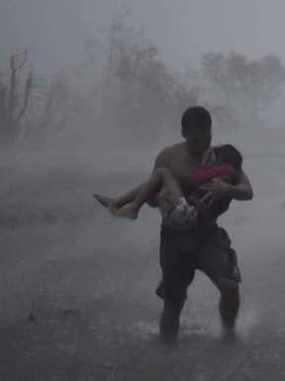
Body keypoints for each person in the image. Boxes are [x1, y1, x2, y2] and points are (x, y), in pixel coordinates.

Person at [96, 106, 253, 343]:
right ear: (184, 133)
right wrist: (159, 200)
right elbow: (151, 192)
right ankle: (166, 354)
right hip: (175, 238)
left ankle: (228, 337)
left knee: (230, 286)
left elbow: (247, 191)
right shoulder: (169, 157)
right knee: (173, 302)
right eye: (196, 139)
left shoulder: (221, 157)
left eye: (207, 136)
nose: (202, 144)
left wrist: (227, 188)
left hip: (208, 234)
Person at [94, 144, 243, 229]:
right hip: (192, 218)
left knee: (162, 172)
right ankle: (117, 203)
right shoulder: (229, 177)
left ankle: (133, 208)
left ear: (222, 159)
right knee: (153, 186)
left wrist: (196, 167)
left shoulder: (222, 171)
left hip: (188, 214)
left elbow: (195, 178)